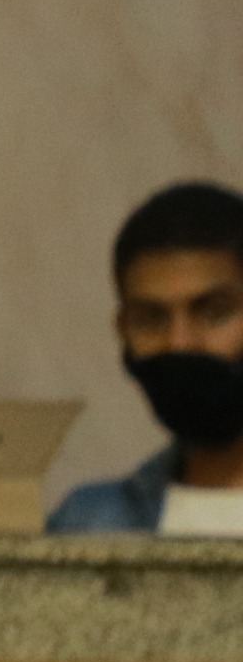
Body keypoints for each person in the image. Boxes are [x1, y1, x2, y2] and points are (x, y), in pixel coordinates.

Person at [47, 182, 243, 536]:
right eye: (151, 319)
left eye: (213, 312)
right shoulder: (90, 526)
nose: (179, 342)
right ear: (123, 331)